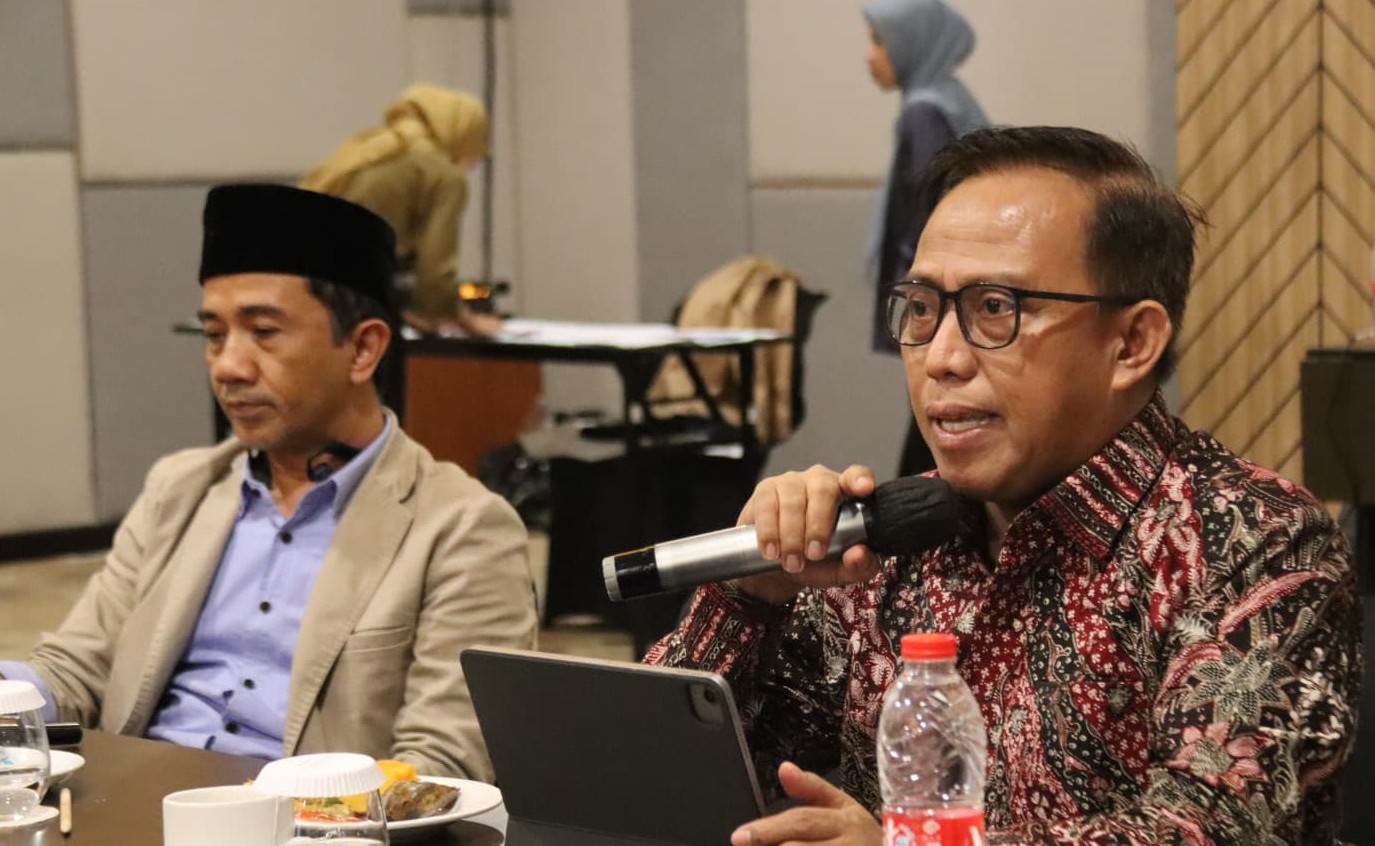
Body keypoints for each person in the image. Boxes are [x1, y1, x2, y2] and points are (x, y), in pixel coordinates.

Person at [648, 126, 1362, 844]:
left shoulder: (1256, 543)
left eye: (995, 308)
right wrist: (752, 594)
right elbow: (656, 783)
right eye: (921, 308)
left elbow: (1209, 827)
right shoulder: (888, 542)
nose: (942, 358)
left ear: (1131, 344)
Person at [0, 185, 539, 781]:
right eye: (214, 336)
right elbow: (77, 669)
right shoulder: (181, 489)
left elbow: (444, 764)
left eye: (263, 332)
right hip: (133, 802)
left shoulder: (460, 528)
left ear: (363, 349)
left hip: (310, 818)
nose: (228, 367)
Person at [862, 0, 989, 479]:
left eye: (879, 41)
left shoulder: (925, 113)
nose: (870, 56)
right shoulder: (949, 98)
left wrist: (920, 299)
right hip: (956, 297)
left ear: (911, 43)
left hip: (940, 299)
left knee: (934, 430)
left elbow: (927, 216)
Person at [300, 83, 502, 337]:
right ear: (464, 135)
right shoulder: (443, 175)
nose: (474, 163)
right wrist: (460, 319)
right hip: (349, 305)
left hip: (304, 291)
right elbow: (435, 271)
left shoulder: (369, 147)